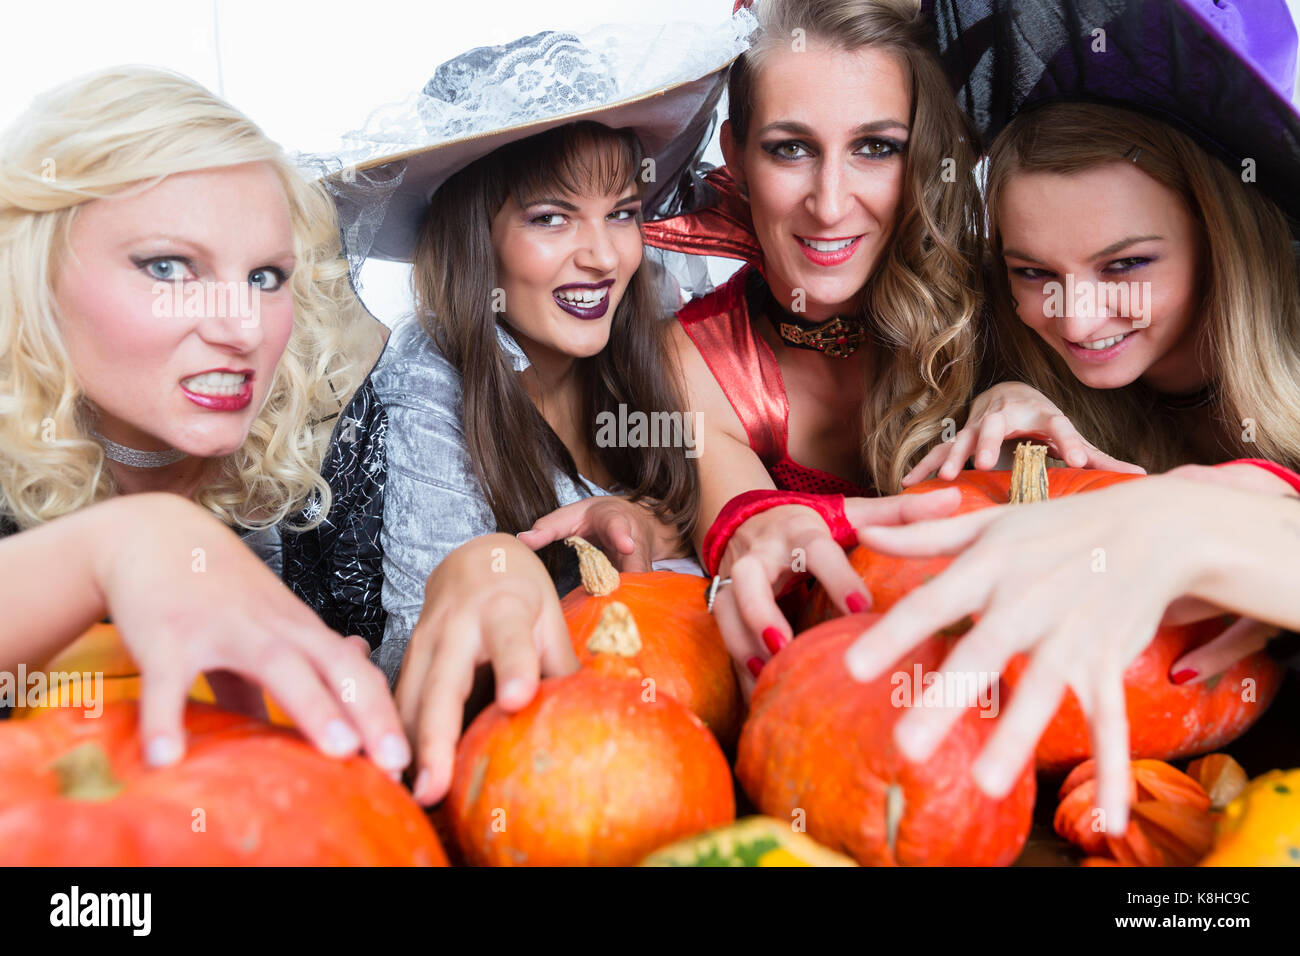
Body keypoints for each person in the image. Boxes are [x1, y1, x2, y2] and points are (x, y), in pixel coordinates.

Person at [846, 0, 1300, 833]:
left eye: (1124, 264)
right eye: (1032, 271)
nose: (1078, 318)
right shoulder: (1026, 362)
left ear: (1219, 233)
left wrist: (1229, 514)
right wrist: (1004, 421)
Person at [321, 19, 750, 803]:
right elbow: (427, 659)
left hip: (710, 758)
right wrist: (545, 564)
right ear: (474, 242)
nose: (602, 255)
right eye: (551, 218)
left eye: (621, 212)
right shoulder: (427, 396)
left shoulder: (661, 343)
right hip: (565, 784)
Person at [0, 66, 406, 774]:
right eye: (168, 268)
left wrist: (478, 576)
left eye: (264, 278)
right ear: (33, 276)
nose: (243, 330)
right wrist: (114, 547)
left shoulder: (335, 441)